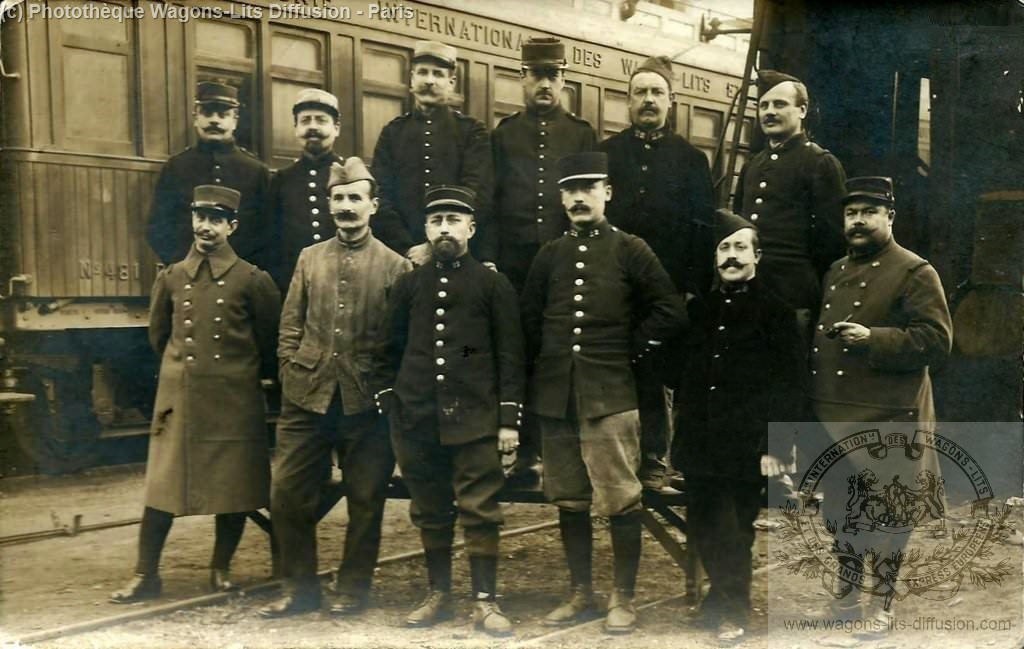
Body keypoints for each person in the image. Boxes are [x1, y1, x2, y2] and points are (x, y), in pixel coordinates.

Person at [520, 152, 687, 634]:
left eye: (588, 188)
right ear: (561, 198)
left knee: (618, 498)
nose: (577, 197)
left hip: (610, 395)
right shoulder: (549, 253)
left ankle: (623, 597)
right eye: (569, 189)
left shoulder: (631, 249)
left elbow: (670, 311)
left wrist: (629, 351)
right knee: (569, 498)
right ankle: (580, 593)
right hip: (557, 397)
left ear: (607, 193)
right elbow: (530, 321)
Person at [112, 185, 280, 603]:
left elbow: (268, 341)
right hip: (180, 400)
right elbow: (158, 337)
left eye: (217, 219)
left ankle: (220, 569)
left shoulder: (253, 280)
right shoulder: (170, 278)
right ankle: (145, 573)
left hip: (233, 401)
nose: (206, 227)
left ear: (232, 226)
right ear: (191, 220)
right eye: (200, 217)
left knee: (234, 488)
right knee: (163, 488)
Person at [258, 158, 411, 618]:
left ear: (373, 205)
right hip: (306, 398)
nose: (346, 207)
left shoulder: (396, 267)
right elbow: (289, 325)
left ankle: (353, 588)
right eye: (339, 198)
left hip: (366, 403)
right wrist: (290, 370)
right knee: (286, 493)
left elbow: (401, 341)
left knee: (366, 499)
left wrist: (386, 390)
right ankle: (298, 588)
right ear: (329, 204)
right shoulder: (309, 258)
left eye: (355, 199)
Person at [370, 185, 525, 637]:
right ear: (425, 228)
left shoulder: (493, 285)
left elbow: (511, 357)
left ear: (471, 228)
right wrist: (390, 403)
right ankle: (438, 594)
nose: (444, 229)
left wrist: (508, 421)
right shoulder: (409, 282)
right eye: (436, 221)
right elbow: (386, 349)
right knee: (430, 509)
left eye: (454, 221)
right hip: (417, 419)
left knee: (480, 509)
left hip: (475, 420)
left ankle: (485, 600)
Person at [809, 176, 952, 624]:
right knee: (840, 512)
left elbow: (937, 341)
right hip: (836, 411)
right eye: (851, 213)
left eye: (869, 212)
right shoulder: (834, 271)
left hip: (890, 412)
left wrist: (874, 338)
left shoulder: (914, 271)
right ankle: (847, 599)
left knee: (889, 516)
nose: (858, 221)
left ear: (890, 217)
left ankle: (881, 605)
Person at [671, 209, 805, 643]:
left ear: (757, 255)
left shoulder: (777, 313)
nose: (732, 257)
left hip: (746, 445)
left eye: (740, 247)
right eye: (724, 248)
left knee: (734, 530)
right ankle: (718, 599)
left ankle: (734, 610)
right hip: (700, 442)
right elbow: (684, 375)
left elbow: (789, 385)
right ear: (715, 258)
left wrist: (776, 446)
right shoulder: (701, 311)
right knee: (703, 524)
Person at [598, 55, 716, 491]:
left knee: (657, 373)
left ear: (672, 101)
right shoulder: (607, 154)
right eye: (639, 93)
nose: (648, 101)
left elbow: (703, 232)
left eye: (656, 93)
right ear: (627, 102)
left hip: (665, 293)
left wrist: (689, 289)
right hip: (615, 286)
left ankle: (655, 460)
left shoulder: (691, 161)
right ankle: (615, 459)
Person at [733, 69, 847, 331]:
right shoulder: (753, 165)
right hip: (749, 289)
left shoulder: (820, 163)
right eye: (763, 105)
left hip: (793, 294)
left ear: (803, 111)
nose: (769, 112)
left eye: (780, 104)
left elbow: (832, 242)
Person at [370, 41, 493, 266]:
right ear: (411, 79)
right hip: (401, 257)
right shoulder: (393, 132)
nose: (429, 80)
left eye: (438, 74)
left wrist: (434, 244)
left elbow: (477, 193)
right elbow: (380, 196)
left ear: (451, 83)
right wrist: (407, 247)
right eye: (423, 73)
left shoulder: (471, 131)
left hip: (458, 254)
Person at [146, 82, 270, 268]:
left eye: (222, 115)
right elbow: (157, 225)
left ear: (234, 120)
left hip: (240, 277)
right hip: (186, 274)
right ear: (196, 118)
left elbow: (267, 230)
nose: (214, 120)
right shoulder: (177, 167)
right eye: (207, 113)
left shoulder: (255, 170)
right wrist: (182, 265)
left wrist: (242, 269)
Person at [266, 88, 344, 293]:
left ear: (337, 128)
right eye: (305, 120)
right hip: (292, 284)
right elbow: (270, 239)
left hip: (343, 281)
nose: (313, 127)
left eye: (321, 120)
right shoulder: (282, 180)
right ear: (295, 128)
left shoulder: (350, 177)